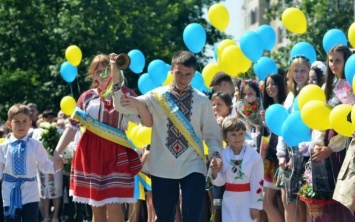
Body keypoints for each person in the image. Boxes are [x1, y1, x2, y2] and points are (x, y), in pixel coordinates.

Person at [114, 51, 223, 222]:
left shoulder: (202, 100)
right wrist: (115, 76)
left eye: (188, 74)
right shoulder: (156, 96)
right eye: (179, 73)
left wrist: (215, 153)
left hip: (192, 164)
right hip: (162, 165)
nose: (183, 78)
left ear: (194, 74)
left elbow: (212, 133)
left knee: (192, 216)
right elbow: (121, 106)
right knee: (164, 217)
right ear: (171, 70)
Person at [53, 53, 143, 222]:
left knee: (115, 204)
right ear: (92, 75)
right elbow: (72, 127)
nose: (102, 74)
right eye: (97, 71)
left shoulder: (126, 94)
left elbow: (142, 121)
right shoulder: (86, 97)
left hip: (117, 152)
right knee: (97, 206)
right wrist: (58, 151)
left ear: (114, 70)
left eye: (106, 69)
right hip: (91, 153)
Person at [308, 44, 355, 221]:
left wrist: (332, 148)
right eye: (331, 60)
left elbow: (348, 125)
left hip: (344, 148)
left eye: (338, 61)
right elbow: (320, 119)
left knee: (344, 197)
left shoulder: (351, 88)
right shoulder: (327, 87)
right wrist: (319, 144)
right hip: (327, 145)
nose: (333, 64)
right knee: (327, 196)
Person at [0, 104, 63, 221]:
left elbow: (44, 164)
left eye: (25, 121)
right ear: (9, 124)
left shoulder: (35, 145)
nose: (21, 125)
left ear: (30, 123)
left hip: (31, 193)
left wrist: (55, 166)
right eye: (17, 121)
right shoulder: (3, 147)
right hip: (9, 193)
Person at [276, 55, 310, 222]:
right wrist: (281, 155)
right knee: (288, 202)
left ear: (310, 72)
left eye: (303, 70)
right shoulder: (289, 97)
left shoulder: (313, 93)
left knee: (307, 204)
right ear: (290, 73)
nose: (300, 74)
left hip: (307, 156)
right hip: (288, 156)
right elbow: (283, 128)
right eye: (296, 71)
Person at [211, 117, 264, 221]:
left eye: (241, 134)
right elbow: (220, 183)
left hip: (248, 200)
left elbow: (258, 182)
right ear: (225, 137)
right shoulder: (222, 155)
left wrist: (255, 206)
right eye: (233, 135)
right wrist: (215, 173)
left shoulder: (254, 156)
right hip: (229, 199)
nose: (238, 138)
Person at [260, 74, 287, 222]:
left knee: (277, 201)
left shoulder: (286, 104)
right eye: (267, 85)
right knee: (267, 201)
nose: (270, 88)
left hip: (282, 158)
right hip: (269, 158)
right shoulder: (267, 108)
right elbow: (266, 137)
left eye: (274, 84)